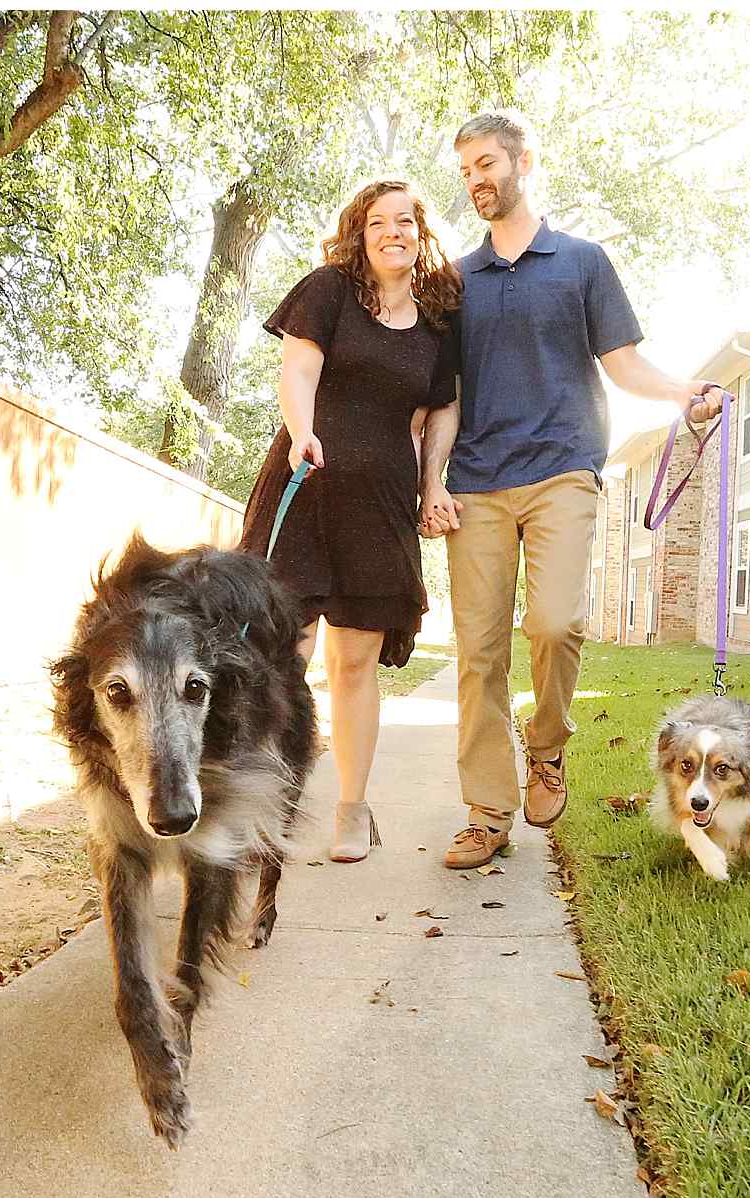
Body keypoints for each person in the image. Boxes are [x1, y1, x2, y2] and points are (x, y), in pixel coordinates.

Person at [417, 110, 726, 871]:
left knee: (553, 622)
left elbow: (623, 364)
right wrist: (431, 482)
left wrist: (685, 391)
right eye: (465, 171)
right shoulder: (456, 279)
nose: (476, 181)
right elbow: (445, 397)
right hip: (479, 481)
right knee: (478, 653)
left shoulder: (583, 262)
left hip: (562, 468)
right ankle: (487, 812)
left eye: (486, 163)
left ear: (524, 160)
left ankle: (547, 749)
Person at [238, 179, 462, 863]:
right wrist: (301, 431)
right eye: (376, 222)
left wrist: (433, 487)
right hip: (307, 484)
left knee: (355, 660)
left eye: (405, 221)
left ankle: (351, 808)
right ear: (359, 233)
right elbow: (298, 371)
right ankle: (267, 803)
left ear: (422, 233)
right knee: (285, 649)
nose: (391, 231)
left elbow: (440, 412)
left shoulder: (437, 325)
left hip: (381, 503)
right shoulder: (329, 290)